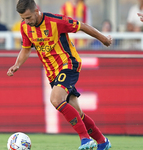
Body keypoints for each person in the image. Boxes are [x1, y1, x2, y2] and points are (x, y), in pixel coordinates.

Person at [7, 0, 112, 150]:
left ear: (37, 11)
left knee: (55, 99)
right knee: (77, 112)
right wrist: (17, 64)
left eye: (29, 17)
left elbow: (81, 25)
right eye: (23, 18)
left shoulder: (56, 21)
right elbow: (26, 48)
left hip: (68, 64)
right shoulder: (25, 27)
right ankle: (102, 141)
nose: (26, 21)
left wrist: (103, 39)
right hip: (52, 73)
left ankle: (85, 139)